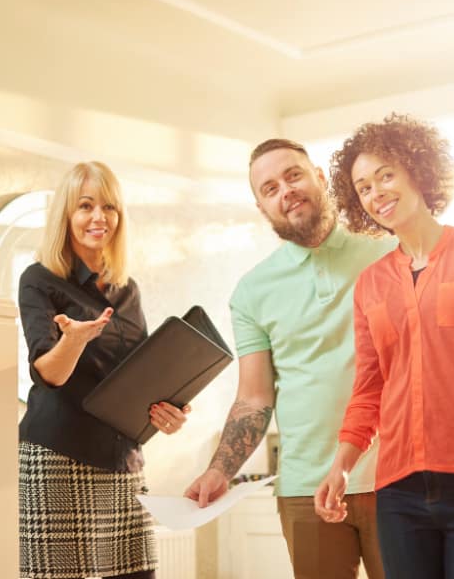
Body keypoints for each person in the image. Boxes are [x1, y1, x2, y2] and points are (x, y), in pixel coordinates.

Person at [314, 114, 454, 579]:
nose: (375, 193)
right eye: (363, 187)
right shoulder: (370, 285)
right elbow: (369, 390)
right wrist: (341, 467)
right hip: (399, 492)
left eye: (385, 175)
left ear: (417, 171)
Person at [183, 139, 395, 579]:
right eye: (270, 187)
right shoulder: (252, 291)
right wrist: (220, 469)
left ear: (319, 176)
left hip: (394, 477)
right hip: (304, 488)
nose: (286, 191)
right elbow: (255, 397)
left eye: (293, 175)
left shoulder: (385, 250)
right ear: (262, 206)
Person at [18, 161, 190, 579]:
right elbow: (49, 373)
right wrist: (74, 340)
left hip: (122, 463)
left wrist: (171, 410)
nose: (99, 218)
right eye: (85, 206)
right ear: (66, 216)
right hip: (60, 459)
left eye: (109, 207)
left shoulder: (127, 290)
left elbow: (141, 375)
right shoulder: (39, 280)